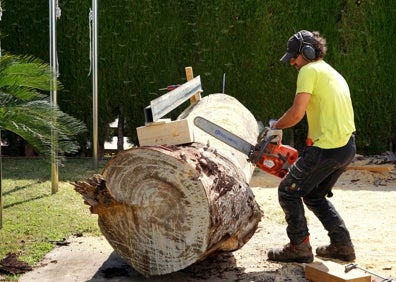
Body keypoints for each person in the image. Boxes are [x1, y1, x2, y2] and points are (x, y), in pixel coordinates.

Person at [267, 30, 356, 263]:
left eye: (294, 57)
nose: (292, 63)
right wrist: (308, 144)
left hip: (327, 149)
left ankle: (299, 247)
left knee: (288, 191)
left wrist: (275, 127)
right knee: (315, 195)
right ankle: (342, 246)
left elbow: (297, 113)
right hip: (346, 147)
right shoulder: (330, 71)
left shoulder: (308, 70)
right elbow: (321, 113)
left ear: (306, 52)